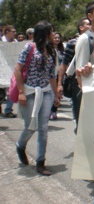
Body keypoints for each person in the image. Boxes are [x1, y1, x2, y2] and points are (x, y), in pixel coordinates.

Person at [14, 20, 60, 176]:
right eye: (51, 32)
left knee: (43, 128)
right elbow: (18, 70)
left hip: (46, 92)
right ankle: (20, 145)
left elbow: (52, 75)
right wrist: (21, 91)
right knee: (30, 126)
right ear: (45, 33)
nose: (54, 34)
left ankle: (41, 162)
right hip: (29, 92)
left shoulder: (51, 50)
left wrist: (55, 95)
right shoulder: (29, 47)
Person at [57, 17, 91, 134]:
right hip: (77, 83)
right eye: (88, 24)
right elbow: (64, 64)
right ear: (81, 28)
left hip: (93, 82)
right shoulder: (73, 43)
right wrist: (59, 84)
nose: (91, 26)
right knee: (80, 115)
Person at [2, 25, 18, 118]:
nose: (14, 33)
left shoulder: (15, 42)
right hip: (2, 70)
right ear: (7, 32)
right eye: (13, 31)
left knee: (11, 90)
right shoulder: (1, 41)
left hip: (11, 70)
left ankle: (8, 110)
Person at [49, 32, 64, 120]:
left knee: (58, 93)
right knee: (50, 93)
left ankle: (54, 111)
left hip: (59, 74)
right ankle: (48, 111)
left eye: (58, 38)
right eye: (55, 38)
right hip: (50, 75)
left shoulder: (61, 50)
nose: (57, 39)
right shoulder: (48, 49)